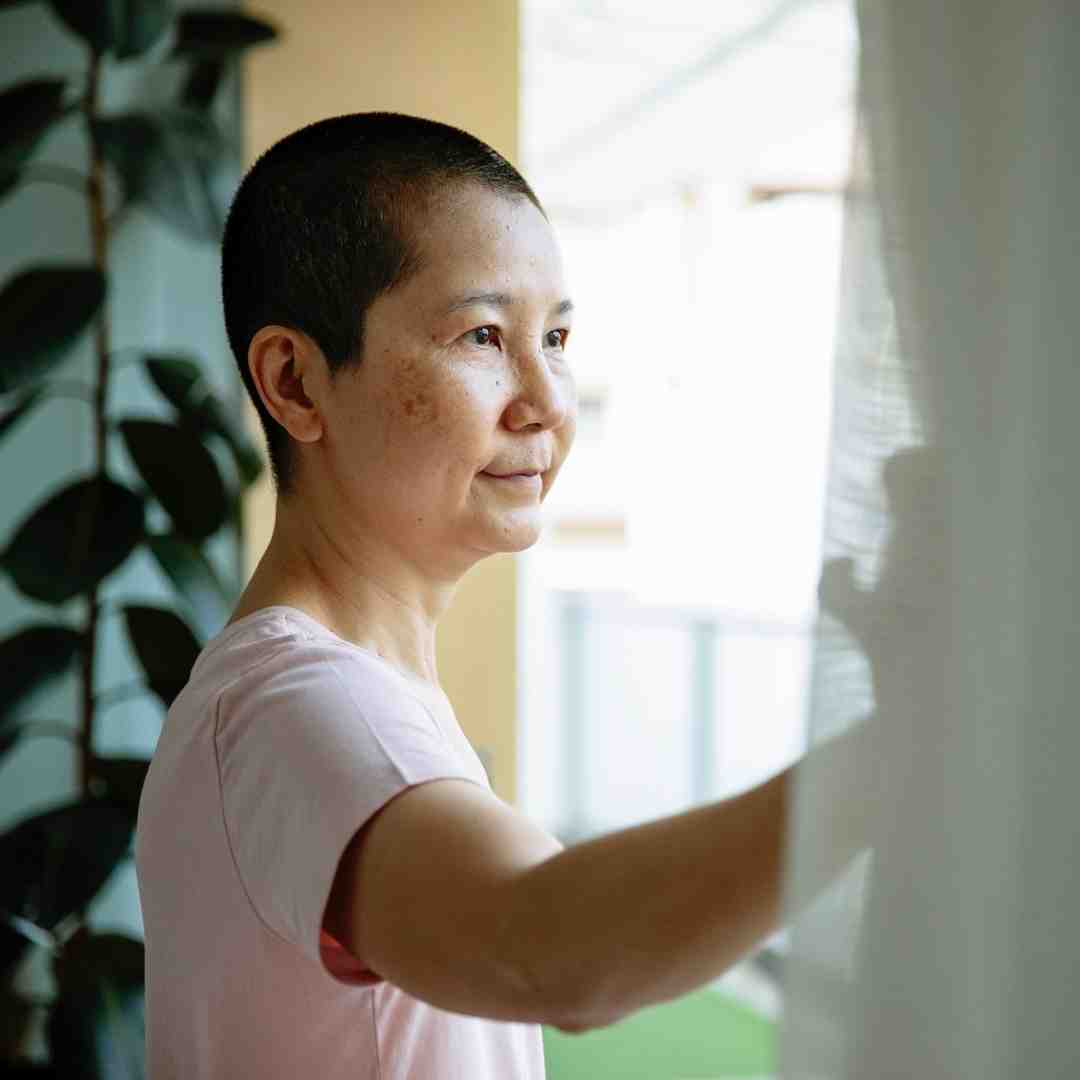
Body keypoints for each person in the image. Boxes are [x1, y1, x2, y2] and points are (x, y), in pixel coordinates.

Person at [135, 112, 871, 1079]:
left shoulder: (326, 694)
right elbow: (544, 947)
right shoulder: (294, 706)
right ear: (296, 384)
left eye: (555, 336)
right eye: (484, 335)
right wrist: (897, 750)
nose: (548, 400)